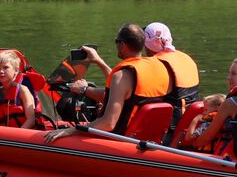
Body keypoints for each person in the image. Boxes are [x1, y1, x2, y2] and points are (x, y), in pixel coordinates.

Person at [44, 23, 172, 141]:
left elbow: (108, 123)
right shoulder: (159, 68)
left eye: (116, 42)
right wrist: (99, 62)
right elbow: (122, 93)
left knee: (65, 134)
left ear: (122, 45)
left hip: (120, 141)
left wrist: (70, 131)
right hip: (147, 138)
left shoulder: (122, 76)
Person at [143, 22, 200, 107]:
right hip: (190, 114)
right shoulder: (186, 58)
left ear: (147, 44)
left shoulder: (155, 65)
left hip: (172, 116)